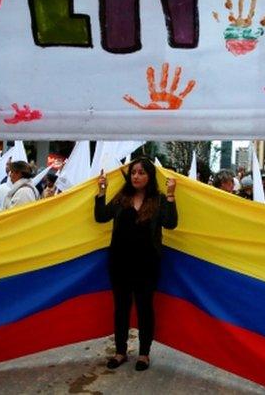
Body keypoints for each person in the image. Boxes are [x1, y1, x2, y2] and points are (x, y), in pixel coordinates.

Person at [94, 158, 178, 372]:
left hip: (147, 264)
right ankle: (120, 352)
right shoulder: (121, 198)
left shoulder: (158, 200)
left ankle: (144, 354)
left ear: (149, 176)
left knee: (144, 309)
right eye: (133, 173)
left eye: (141, 173)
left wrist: (170, 195)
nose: (136, 176)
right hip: (120, 263)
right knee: (121, 309)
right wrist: (101, 192)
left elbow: (170, 223)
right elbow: (101, 217)